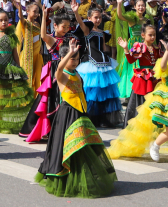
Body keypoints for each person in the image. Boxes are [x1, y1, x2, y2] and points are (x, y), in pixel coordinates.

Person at [34, 37, 116, 198]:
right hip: (67, 114)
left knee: (84, 145)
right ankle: (66, 178)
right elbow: (58, 69)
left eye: (77, 59)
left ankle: (82, 176)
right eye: (72, 59)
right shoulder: (62, 75)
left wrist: (73, 54)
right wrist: (69, 52)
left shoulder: (77, 73)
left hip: (80, 113)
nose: (75, 61)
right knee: (69, 147)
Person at [107, 39, 168, 167]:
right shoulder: (166, 63)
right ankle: (155, 145)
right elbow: (163, 67)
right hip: (167, 99)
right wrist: (167, 53)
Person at [19, 9, 73, 143]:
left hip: (66, 71)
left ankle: (63, 128)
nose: (66, 29)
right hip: (54, 72)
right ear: (55, 25)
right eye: (63, 26)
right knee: (51, 100)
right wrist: (44, 16)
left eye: (68, 26)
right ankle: (47, 130)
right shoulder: (51, 39)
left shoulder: (69, 39)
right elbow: (42, 35)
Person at [75, 8, 121, 128]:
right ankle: (92, 118)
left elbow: (104, 48)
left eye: (100, 17)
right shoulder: (87, 31)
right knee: (93, 92)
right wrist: (76, 12)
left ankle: (105, 118)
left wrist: (108, 57)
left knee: (106, 92)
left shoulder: (103, 32)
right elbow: (81, 23)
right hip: (91, 64)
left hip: (105, 64)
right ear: (89, 18)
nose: (98, 20)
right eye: (96, 17)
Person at [117, 24, 163, 124]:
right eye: (150, 35)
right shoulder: (139, 46)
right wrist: (125, 49)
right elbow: (130, 60)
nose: (152, 37)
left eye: (154, 35)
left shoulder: (156, 47)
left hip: (154, 78)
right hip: (143, 78)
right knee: (140, 102)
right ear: (143, 35)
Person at [16, 0, 45, 92]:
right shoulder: (25, 23)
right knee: (27, 76)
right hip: (28, 54)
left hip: (37, 53)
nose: (36, 14)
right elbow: (20, 17)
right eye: (34, 11)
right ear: (27, 11)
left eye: (38, 12)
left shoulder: (37, 24)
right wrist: (20, 6)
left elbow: (39, 37)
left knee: (37, 75)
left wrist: (41, 47)